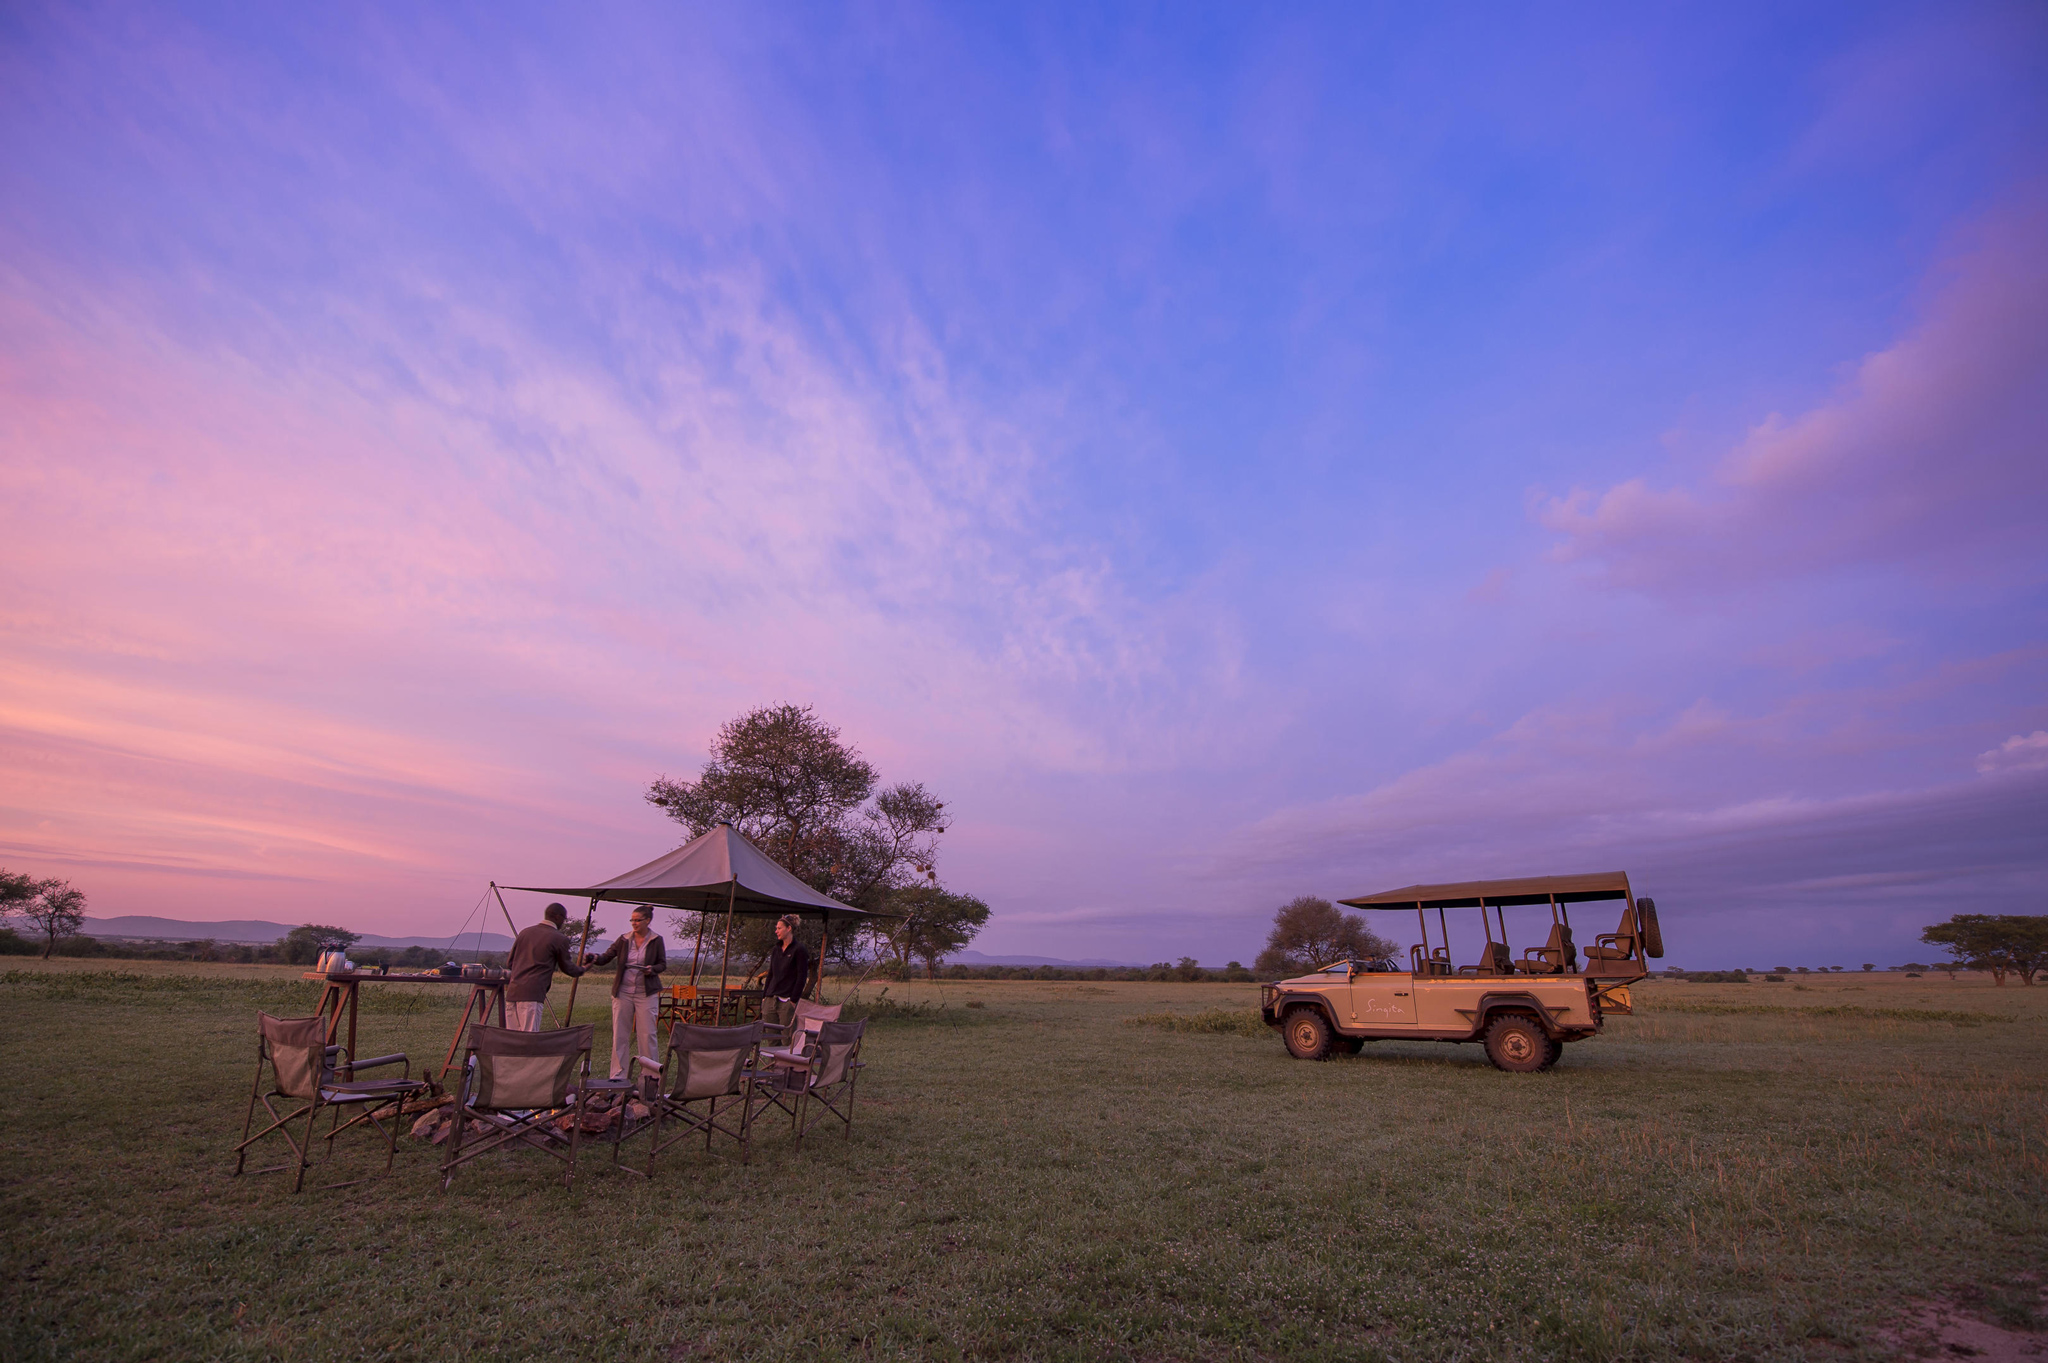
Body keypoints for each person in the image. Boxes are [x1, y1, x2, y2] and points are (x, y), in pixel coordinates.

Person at [584, 905, 665, 1081]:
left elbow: (662, 964)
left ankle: (650, 1076)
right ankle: (618, 1075)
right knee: (620, 1034)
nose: (634, 923)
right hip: (623, 992)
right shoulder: (624, 939)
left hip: (646, 992)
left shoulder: (656, 940)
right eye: (632, 920)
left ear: (647, 921)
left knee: (647, 1034)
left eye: (638, 920)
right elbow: (606, 957)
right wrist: (594, 958)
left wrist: (652, 969)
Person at [504, 902, 585, 1031]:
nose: (563, 922)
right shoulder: (559, 938)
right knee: (528, 1039)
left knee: (512, 1039)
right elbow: (568, 968)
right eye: (564, 919)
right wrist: (584, 968)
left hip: (512, 993)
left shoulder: (525, 932)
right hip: (532, 996)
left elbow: (510, 963)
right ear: (558, 917)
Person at [762, 913, 812, 1034]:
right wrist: (764, 996)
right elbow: (771, 974)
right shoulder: (776, 949)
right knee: (771, 1038)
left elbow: (802, 976)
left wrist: (793, 1000)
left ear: (788, 928)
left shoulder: (799, 949)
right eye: (776, 928)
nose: (776, 931)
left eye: (779, 928)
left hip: (787, 1001)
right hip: (770, 999)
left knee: (787, 1038)